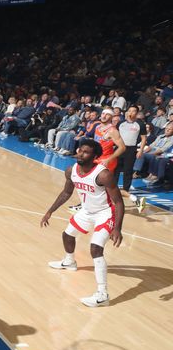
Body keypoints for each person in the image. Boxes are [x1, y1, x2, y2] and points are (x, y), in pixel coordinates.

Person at [41, 139, 124, 308]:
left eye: (86, 152)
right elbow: (66, 192)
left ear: (95, 156)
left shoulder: (103, 174)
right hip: (86, 211)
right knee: (67, 235)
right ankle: (69, 261)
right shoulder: (71, 170)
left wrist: (117, 228)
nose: (81, 153)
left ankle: (102, 294)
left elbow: (118, 202)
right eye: (80, 150)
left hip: (104, 213)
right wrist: (50, 211)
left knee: (95, 248)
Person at [116, 106, 147, 212]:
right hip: (119, 148)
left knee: (128, 171)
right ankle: (114, 190)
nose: (131, 112)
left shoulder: (140, 124)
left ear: (137, 113)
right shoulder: (120, 123)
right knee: (115, 169)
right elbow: (115, 136)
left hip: (131, 149)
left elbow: (144, 138)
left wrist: (141, 150)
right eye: (129, 110)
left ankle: (125, 190)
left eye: (133, 111)